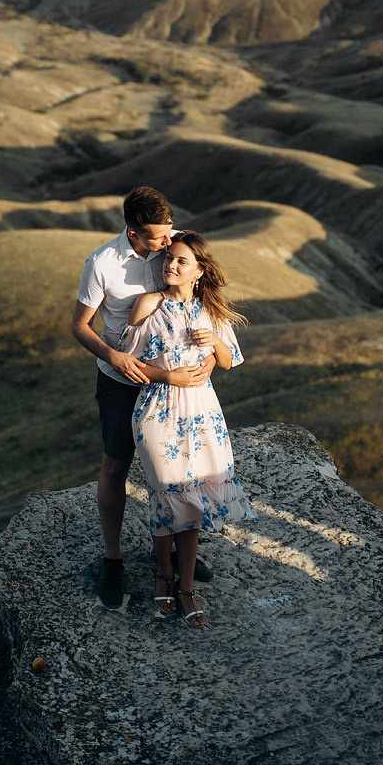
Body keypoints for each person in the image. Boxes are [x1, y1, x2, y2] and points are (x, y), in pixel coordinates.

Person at [71, 187, 215, 608]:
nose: (168, 243)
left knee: (177, 471)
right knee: (116, 467)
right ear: (133, 233)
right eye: (158, 237)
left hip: (174, 389)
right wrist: (112, 354)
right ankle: (113, 558)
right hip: (122, 382)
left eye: (170, 232)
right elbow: (80, 326)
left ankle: (170, 555)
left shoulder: (176, 251)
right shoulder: (102, 265)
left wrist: (209, 354)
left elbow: (201, 299)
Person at [118, 231, 256, 629]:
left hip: (202, 413)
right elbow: (127, 364)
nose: (170, 266)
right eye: (168, 259)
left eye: (181, 261)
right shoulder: (148, 304)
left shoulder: (209, 310)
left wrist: (215, 342)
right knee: (165, 494)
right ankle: (163, 573)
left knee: (193, 502)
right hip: (157, 408)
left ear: (198, 271)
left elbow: (230, 362)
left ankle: (187, 586)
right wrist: (168, 376)